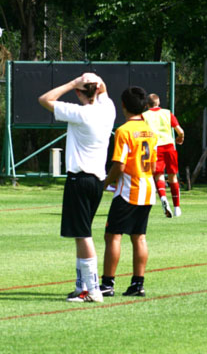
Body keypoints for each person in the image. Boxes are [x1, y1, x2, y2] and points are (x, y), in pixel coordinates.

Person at [39, 72, 113, 304]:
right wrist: (95, 82)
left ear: (80, 92)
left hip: (79, 180)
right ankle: (82, 286)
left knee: (83, 235)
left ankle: (92, 290)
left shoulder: (80, 113)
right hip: (97, 181)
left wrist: (72, 83)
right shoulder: (108, 109)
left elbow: (44, 99)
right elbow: (104, 91)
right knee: (82, 234)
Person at [100, 86, 158, 298]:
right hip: (147, 189)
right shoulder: (150, 131)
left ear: (123, 105)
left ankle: (107, 284)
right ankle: (137, 284)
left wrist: (105, 183)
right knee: (139, 237)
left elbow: (120, 165)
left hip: (129, 190)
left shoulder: (124, 131)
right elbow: (152, 166)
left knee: (113, 236)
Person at [142, 93, 184, 217]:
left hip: (155, 147)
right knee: (173, 176)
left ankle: (163, 199)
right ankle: (177, 207)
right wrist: (180, 138)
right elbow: (180, 131)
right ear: (158, 102)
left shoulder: (144, 116)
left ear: (146, 105)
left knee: (159, 176)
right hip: (169, 146)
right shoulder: (167, 113)